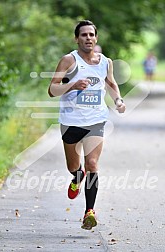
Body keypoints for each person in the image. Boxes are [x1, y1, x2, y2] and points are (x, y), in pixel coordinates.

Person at [48, 20, 126, 230]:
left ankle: (89, 212)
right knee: (74, 166)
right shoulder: (68, 61)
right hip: (71, 121)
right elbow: (52, 89)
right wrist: (73, 85)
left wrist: (118, 100)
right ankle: (77, 176)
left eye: (91, 34)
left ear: (96, 38)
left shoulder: (105, 62)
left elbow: (110, 83)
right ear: (77, 39)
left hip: (96, 120)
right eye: (84, 35)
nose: (88, 38)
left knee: (92, 163)